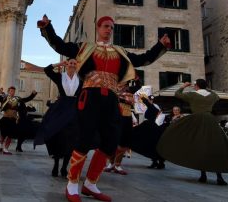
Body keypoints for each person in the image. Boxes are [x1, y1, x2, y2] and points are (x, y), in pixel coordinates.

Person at [38, 15, 170, 202]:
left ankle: (90, 184)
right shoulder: (84, 48)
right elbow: (60, 46)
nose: (109, 30)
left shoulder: (120, 51)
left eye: (111, 27)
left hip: (111, 99)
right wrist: (47, 29)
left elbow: (143, 59)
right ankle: (72, 184)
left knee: (110, 142)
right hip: (89, 96)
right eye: (106, 26)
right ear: (98, 28)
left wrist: (160, 46)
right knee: (84, 139)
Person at [157, 80, 228, 185]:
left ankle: (203, 175)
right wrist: (206, 88)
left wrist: (184, 86)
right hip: (210, 120)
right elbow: (215, 95)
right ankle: (219, 177)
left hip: (197, 120)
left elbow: (177, 94)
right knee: (214, 145)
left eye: (195, 85)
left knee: (198, 145)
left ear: (196, 86)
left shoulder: (192, 95)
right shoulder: (212, 96)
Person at [34, 59, 82, 178]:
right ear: (67, 65)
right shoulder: (60, 76)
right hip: (61, 108)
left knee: (71, 139)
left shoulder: (81, 79)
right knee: (57, 135)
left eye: (74, 63)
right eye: (70, 63)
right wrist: (59, 64)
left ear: (77, 66)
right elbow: (47, 70)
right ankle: (56, 164)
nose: (72, 65)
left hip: (74, 109)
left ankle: (64, 167)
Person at [104, 77, 142, 175]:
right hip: (114, 116)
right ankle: (110, 163)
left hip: (127, 116)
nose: (123, 80)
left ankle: (117, 164)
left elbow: (138, 86)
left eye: (125, 78)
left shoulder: (130, 89)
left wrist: (137, 78)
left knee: (124, 141)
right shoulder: (112, 88)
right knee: (112, 139)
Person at [0, 86, 37, 155]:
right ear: (8, 91)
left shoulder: (17, 99)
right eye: (11, 91)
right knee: (3, 135)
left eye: (13, 91)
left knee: (10, 135)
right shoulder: (4, 98)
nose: (12, 92)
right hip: (5, 119)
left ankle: (6, 149)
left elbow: (26, 99)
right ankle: (1, 145)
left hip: (13, 120)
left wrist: (33, 94)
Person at [131, 94, 166, 169]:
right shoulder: (153, 107)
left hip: (150, 126)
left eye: (151, 100)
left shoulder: (153, 107)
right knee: (151, 144)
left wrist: (142, 97)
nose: (151, 100)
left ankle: (158, 162)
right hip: (151, 126)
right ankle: (156, 162)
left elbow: (148, 104)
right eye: (150, 99)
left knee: (151, 144)